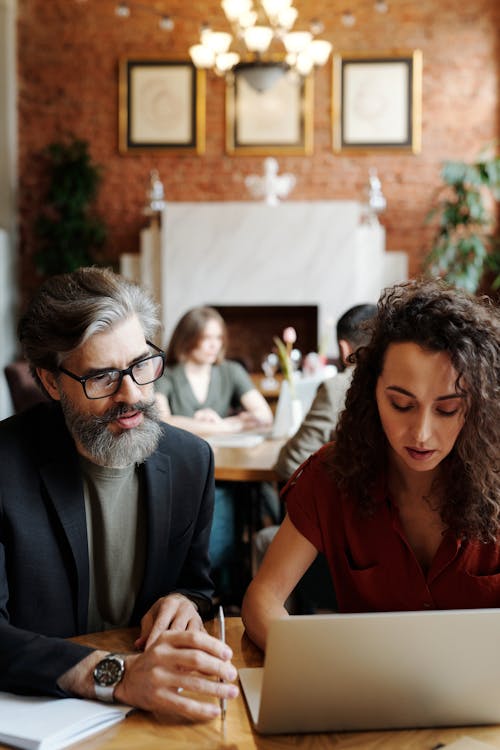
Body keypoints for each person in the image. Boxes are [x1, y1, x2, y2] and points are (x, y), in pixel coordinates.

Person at [0, 267, 238, 721]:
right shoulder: (5, 468)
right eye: (103, 377)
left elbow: (198, 584)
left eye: (141, 365)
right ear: (52, 382)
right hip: (37, 711)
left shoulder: (191, 461)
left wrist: (184, 602)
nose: (132, 394)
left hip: (154, 712)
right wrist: (116, 675)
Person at [242, 278, 500, 650]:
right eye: (401, 405)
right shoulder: (331, 474)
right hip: (366, 696)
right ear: (371, 393)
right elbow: (262, 599)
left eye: (447, 409)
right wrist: (317, 666)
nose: (422, 434)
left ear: (478, 406)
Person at [253, 303, 377, 613]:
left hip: (345, 551)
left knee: (265, 539)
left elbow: (290, 461)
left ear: (344, 348)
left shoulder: (341, 386)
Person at [155, 306, 274, 597]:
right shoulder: (167, 374)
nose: (214, 345)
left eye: (218, 338)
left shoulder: (230, 371)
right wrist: (226, 426)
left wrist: (216, 423)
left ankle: (241, 580)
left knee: (255, 495)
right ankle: (213, 577)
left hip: (227, 465)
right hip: (184, 470)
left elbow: (263, 415)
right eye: (206, 338)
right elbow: (160, 419)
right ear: (187, 338)